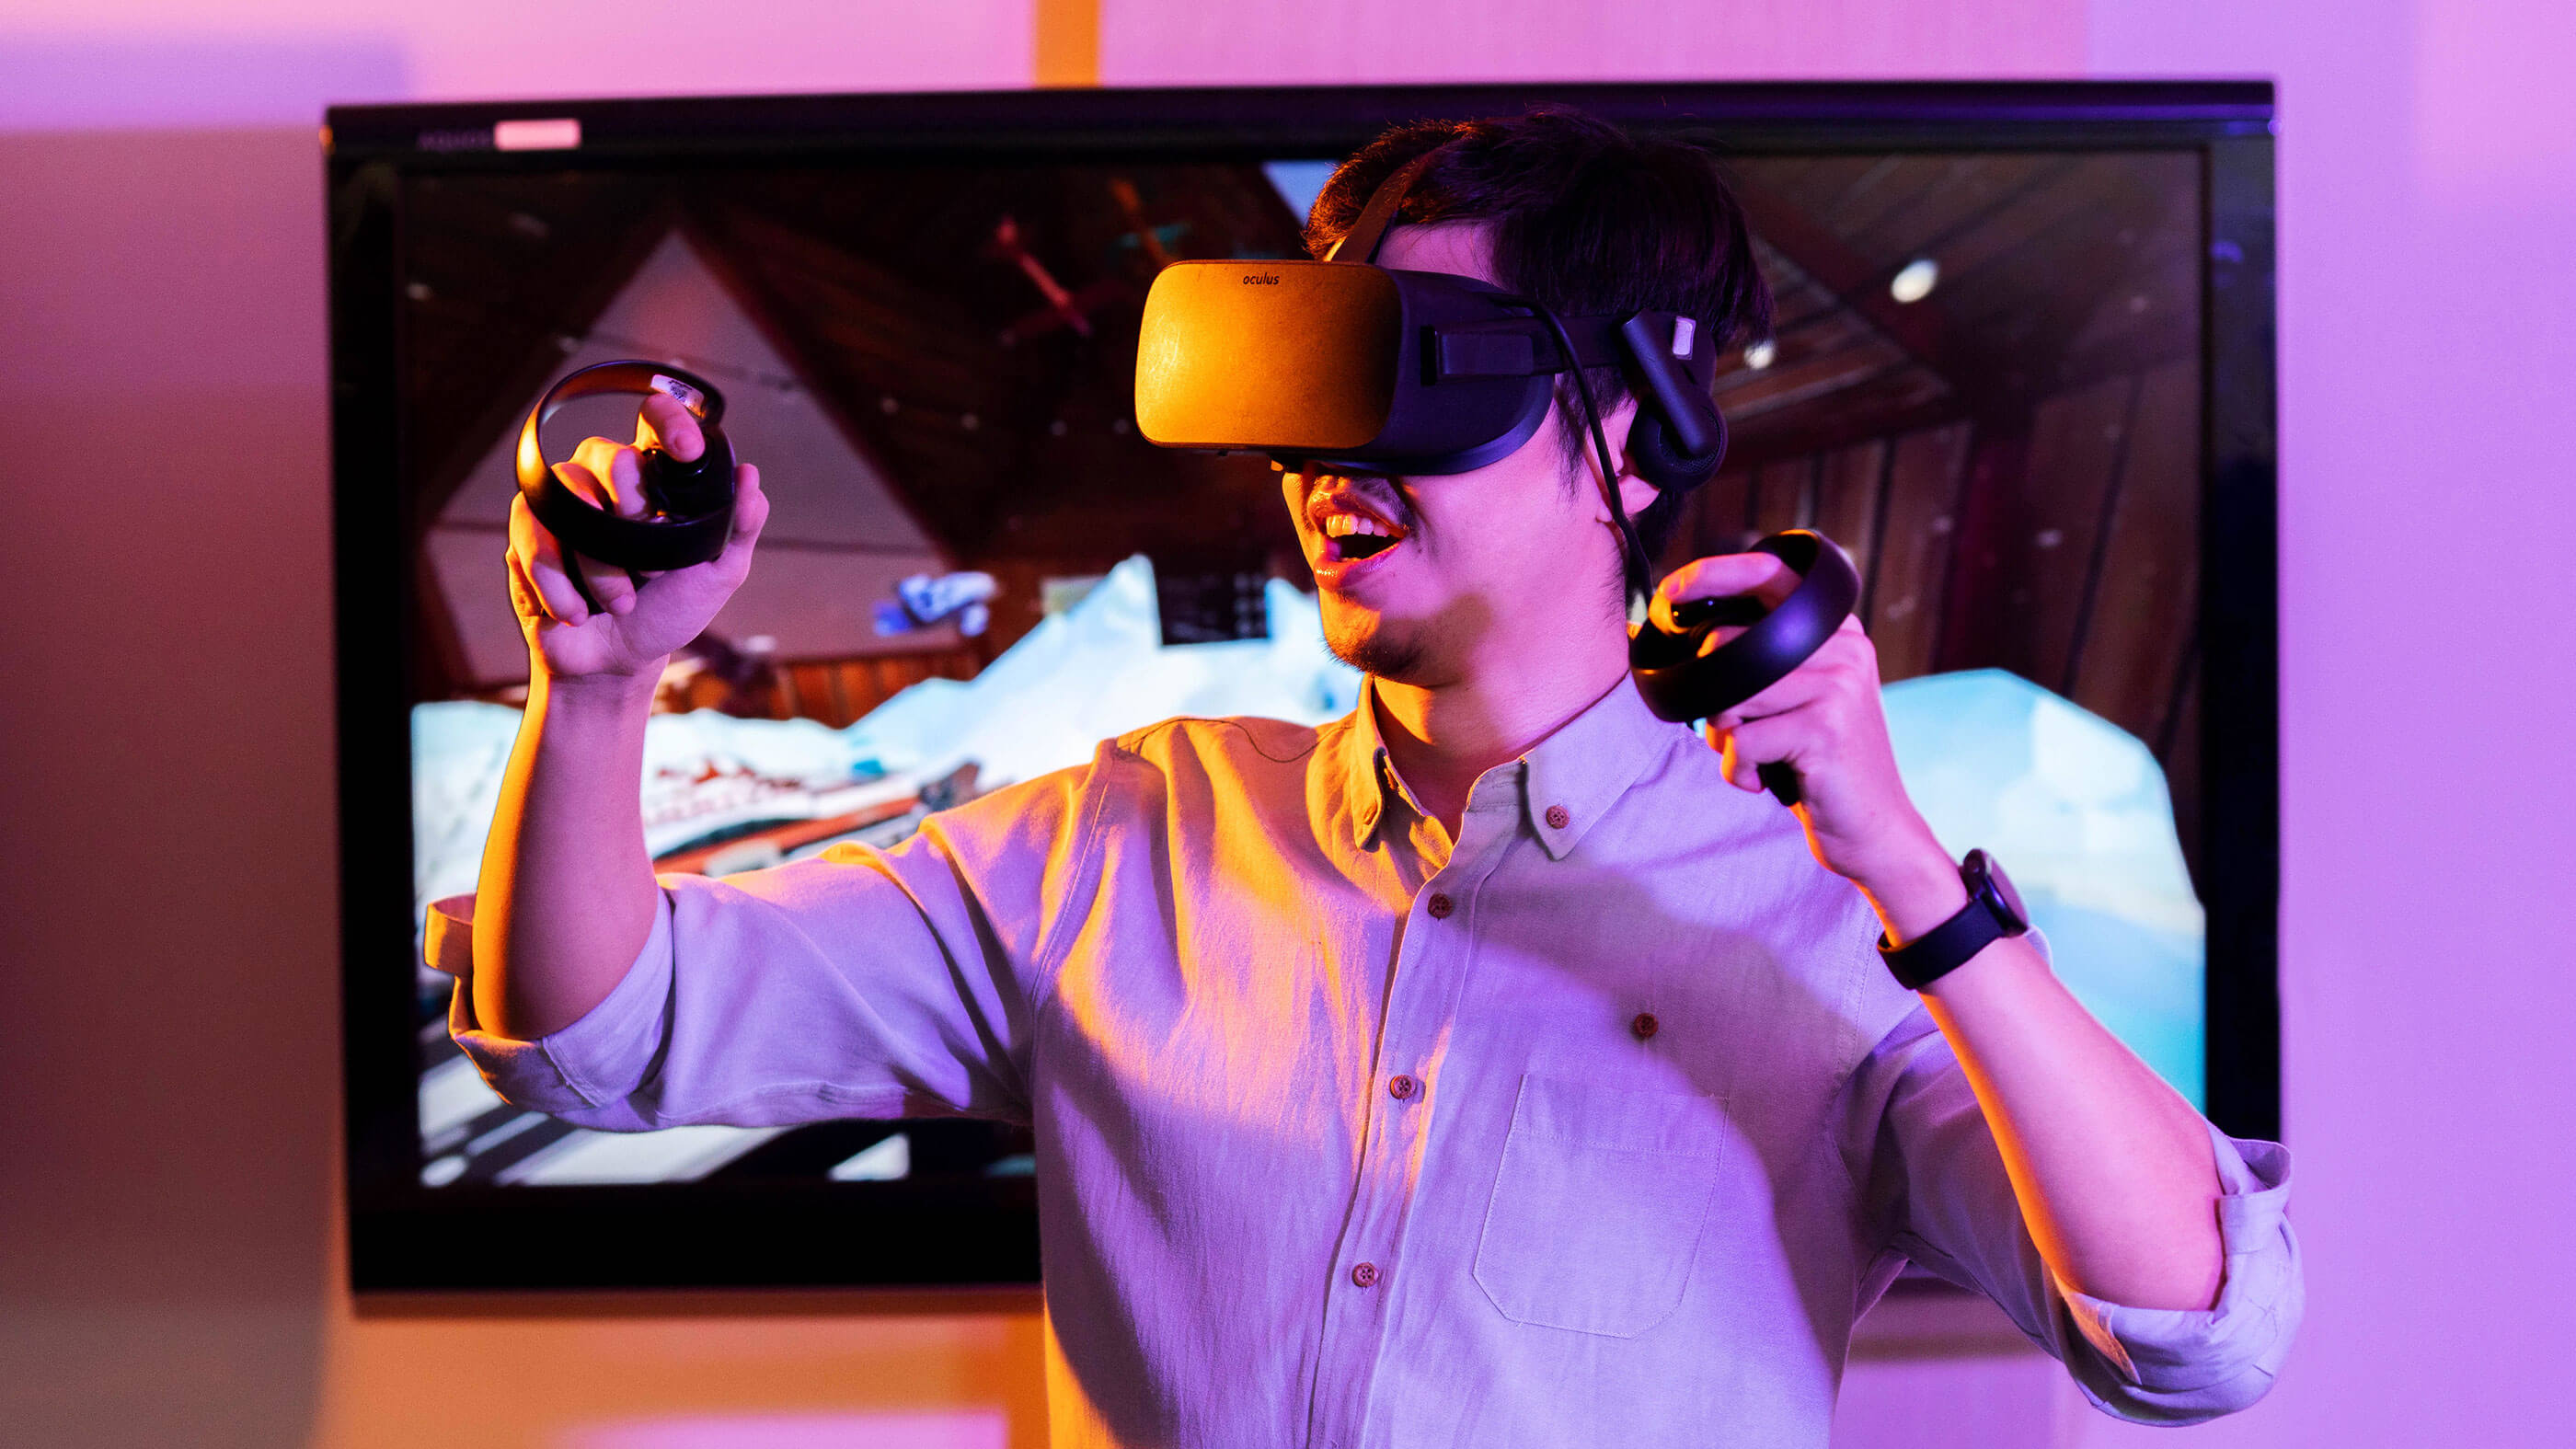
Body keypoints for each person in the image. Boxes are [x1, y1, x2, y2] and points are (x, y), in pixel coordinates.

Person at [430, 110, 2299, 1447]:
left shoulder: (1821, 914)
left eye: (1429, 373)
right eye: (1322, 371)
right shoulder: (1117, 839)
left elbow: (2194, 1337)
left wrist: (1903, 868)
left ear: (1630, 438)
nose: (1338, 452)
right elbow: (604, 1036)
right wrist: (593, 694)